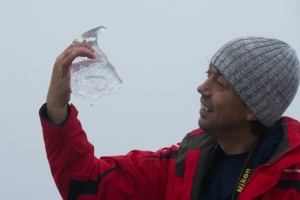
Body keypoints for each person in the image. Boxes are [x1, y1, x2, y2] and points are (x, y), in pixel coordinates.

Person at [39, 37, 300, 200]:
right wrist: (57, 108)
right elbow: (86, 185)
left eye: (219, 83)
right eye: (207, 74)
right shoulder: (181, 166)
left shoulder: (292, 181)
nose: (202, 88)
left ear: (253, 109)